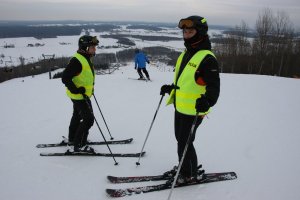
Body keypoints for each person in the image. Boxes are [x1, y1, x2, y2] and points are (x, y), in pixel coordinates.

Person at [160, 16, 220, 184]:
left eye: (190, 31)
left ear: (200, 33)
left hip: (195, 109)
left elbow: (214, 87)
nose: (186, 35)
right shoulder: (186, 53)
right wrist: (171, 87)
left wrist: (207, 101)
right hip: (180, 107)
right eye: (185, 32)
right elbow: (184, 80)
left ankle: (189, 173)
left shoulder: (207, 58)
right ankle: (185, 166)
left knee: (185, 141)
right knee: (180, 139)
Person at [62, 35, 99, 153]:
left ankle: (73, 139)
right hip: (79, 96)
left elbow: (84, 76)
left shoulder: (85, 57)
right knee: (88, 119)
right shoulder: (77, 60)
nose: (95, 49)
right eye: (92, 47)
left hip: (82, 95)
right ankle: (79, 145)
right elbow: (65, 78)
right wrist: (76, 90)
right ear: (85, 47)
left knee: (77, 116)